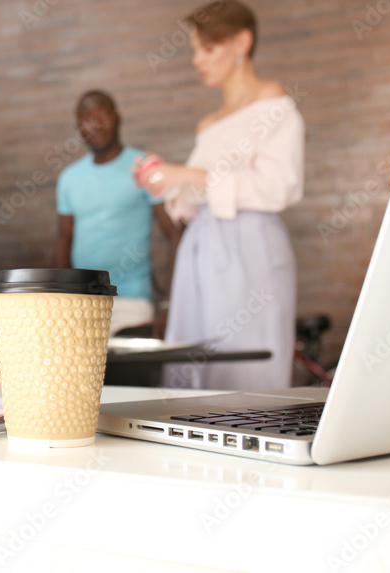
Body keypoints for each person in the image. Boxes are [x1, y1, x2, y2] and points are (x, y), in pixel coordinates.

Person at [134, 1, 304, 391]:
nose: (197, 59)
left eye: (207, 49)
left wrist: (189, 174)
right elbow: (197, 198)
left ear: (241, 42)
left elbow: (279, 186)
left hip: (249, 244)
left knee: (245, 356)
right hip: (202, 247)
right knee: (195, 353)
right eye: (194, 49)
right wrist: (163, 180)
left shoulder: (272, 101)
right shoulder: (208, 123)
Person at [56, 90, 181, 335]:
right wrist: (60, 303)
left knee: (127, 373)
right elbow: (63, 239)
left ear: (118, 118)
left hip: (132, 302)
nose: (96, 124)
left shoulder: (142, 166)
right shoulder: (69, 178)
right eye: (87, 118)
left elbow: (175, 232)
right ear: (79, 127)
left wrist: (169, 303)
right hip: (81, 305)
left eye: (103, 114)